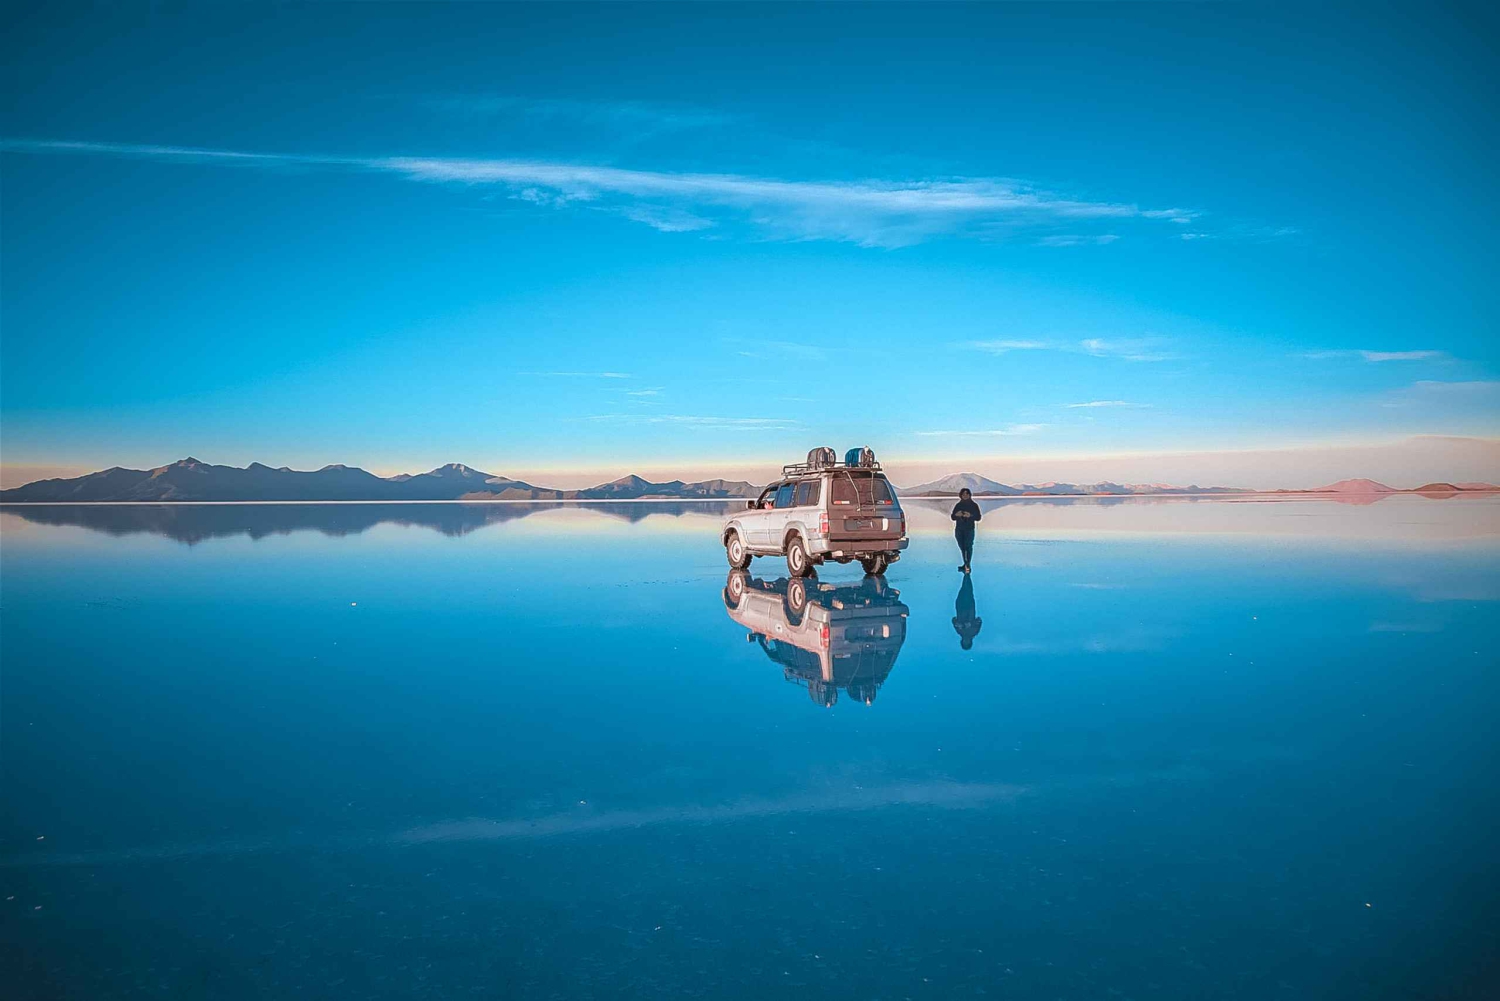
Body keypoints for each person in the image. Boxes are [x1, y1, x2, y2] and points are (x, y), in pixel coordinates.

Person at [950, 487, 982, 572]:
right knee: (962, 547)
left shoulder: (974, 505)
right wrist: (957, 514)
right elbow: (952, 517)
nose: (965, 495)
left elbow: (978, 517)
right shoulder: (958, 505)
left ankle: (967, 565)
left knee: (968, 547)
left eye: (967, 494)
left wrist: (970, 515)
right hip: (959, 530)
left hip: (969, 529)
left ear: (970, 495)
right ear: (961, 495)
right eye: (963, 494)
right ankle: (965, 563)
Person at [952, 573, 983, 650]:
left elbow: (953, 620)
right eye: (967, 642)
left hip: (960, 607)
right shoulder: (974, 631)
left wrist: (958, 624)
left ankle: (966, 574)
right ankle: (967, 574)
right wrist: (971, 623)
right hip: (969, 608)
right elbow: (979, 620)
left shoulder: (960, 632)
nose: (966, 640)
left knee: (963, 590)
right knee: (968, 590)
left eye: (964, 642)